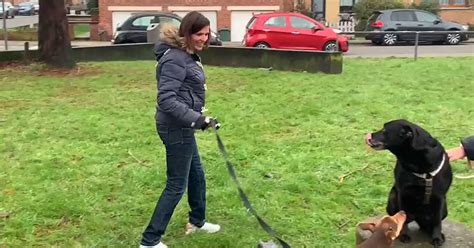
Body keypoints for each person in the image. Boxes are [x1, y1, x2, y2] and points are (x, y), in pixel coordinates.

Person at [140, 11, 221, 248]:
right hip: (175, 127)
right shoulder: (175, 58)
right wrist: (196, 119)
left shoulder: (187, 54)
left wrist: (202, 118)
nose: (204, 39)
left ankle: (197, 221)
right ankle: (150, 240)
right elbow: (166, 99)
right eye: (199, 34)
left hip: (183, 125)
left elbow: (185, 94)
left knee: (196, 175)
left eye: (207, 34)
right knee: (176, 184)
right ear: (186, 33)